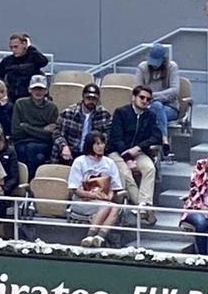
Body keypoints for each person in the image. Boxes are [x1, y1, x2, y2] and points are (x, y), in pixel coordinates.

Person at [108, 85, 163, 223]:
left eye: (148, 99)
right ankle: (144, 207)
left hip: (137, 152)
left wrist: (138, 147)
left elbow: (157, 137)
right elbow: (116, 138)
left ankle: (142, 207)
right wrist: (127, 158)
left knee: (150, 168)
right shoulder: (121, 112)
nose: (145, 101)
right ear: (133, 97)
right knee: (126, 174)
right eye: (142, 97)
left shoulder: (150, 116)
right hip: (117, 152)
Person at [68, 131, 125, 248]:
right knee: (108, 206)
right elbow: (75, 189)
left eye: (102, 143)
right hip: (82, 201)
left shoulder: (109, 163)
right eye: (97, 144)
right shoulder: (79, 161)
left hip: (103, 201)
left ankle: (97, 237)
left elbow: (114, 188)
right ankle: (92, 236)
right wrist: (92, 195)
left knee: (115, 207)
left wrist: (109, 195)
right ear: (90, 145)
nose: (101, 146)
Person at [134, 43, 180, 159]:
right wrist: (148, 99)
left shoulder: (172, 67)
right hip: (146, 106)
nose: (154, 66)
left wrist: (152, 96)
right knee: (156, 107)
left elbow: (174, 90)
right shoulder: (142, 68)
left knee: (157, 107)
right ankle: (164, 140)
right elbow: (137, 89)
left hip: (169, 107)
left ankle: (157, 143)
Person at [12, 73, 58, 176]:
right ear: (29, 89)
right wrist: (42, 129)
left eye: (41, 89)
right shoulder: (20, 104)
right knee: (22, 150)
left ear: (46, 90)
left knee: (31, 149)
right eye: (35, 89)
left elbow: (50, 136)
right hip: (21, 142)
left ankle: (30, 180)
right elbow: (15, 132)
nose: (38, 92)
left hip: (42, 144)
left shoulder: (52, 108)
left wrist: (26, 127)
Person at [0, 32, 48, 102]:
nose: (13, 50)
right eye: (11, 47)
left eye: (16, 47)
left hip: (29, 98)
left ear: (24, 44)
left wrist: (30, 47)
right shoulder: (7, 61)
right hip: (11, 97)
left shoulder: (34, 58)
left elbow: (44, 62)